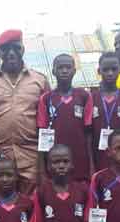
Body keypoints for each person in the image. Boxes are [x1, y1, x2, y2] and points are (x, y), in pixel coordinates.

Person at [0, 29, 50, 194]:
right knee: (4, 206)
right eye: (5, 49)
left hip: (32, 154)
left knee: (32, 204)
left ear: (23, 49)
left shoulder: (40, 80)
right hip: (1, 154)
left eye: (16, 47)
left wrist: (43, 156)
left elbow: (47, 122)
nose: (11, 53)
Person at [36, 53, 93, 183]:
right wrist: (42, 170)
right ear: (53, 71)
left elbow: (89, 133)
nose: (64, 70)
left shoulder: (84, 96)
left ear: (74, 70)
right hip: (55, 162)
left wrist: (91, 165)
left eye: (68, 67)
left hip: (80, 159)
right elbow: (42, 134)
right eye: (60, 67)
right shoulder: (46, 99)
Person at [90, 52, 120, 171]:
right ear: (99, 71)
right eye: (106, 69)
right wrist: (91, 164)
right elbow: (88, 134)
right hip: (98, 158)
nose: (110, 73)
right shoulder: (90, 98)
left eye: (114, 69)